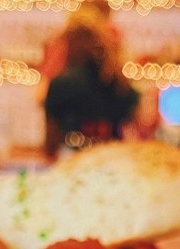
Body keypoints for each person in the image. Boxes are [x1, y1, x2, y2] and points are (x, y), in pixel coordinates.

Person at [43, 5, 139, 159]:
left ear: (70, 41)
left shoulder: (60, 85)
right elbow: (132, 128)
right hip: (111, 165)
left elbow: (50, 145)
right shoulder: (118, 83)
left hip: (72, 166)